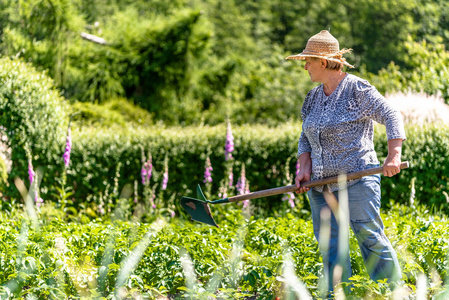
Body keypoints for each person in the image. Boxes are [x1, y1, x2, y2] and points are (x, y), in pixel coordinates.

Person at [286, 30, 405, 294]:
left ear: (325, 62)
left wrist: (393, 155)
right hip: (321, 186)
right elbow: (305, 138)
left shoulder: (356, 89)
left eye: (309, 60)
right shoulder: (313, 97)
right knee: (330, 247)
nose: (304, 65)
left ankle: (392, 294)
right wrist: (304, 169)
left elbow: (391, 115)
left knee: (371, 240)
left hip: (358, 180)